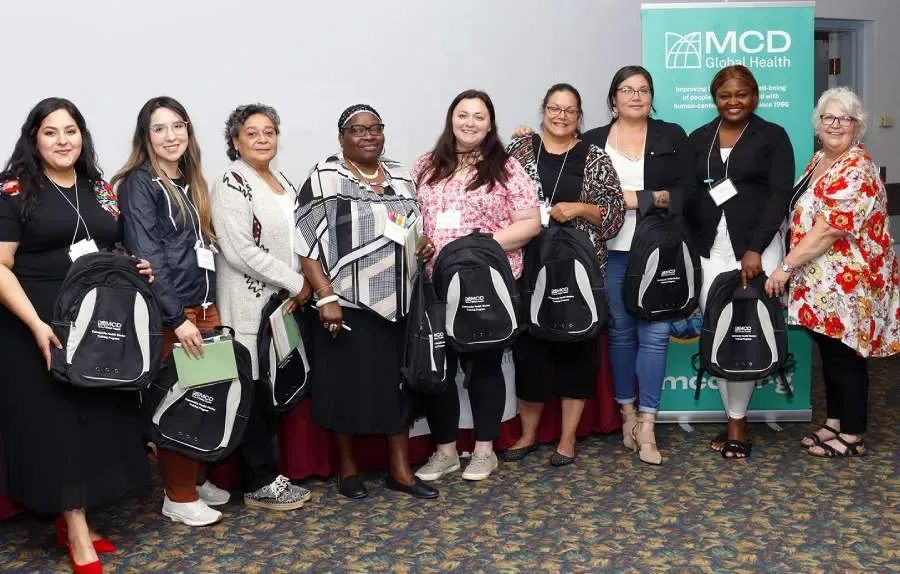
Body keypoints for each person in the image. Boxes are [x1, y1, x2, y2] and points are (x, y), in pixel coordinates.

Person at [0, 98, 154, 573]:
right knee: (60, 426)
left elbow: (108, 245)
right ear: (34, 138)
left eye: (71, 131)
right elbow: (1, 267)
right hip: (38, 323)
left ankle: (74, 520)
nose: (63, 140)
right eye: (51, 132)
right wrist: (36, 326)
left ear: (82, 137)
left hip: (93, 324)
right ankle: (79, 533)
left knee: (93, 420)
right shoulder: (13, 190)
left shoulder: (100, 188)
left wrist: (133, 266)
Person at [295, 104, 438, 500]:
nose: (369, 135)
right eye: (358, 130)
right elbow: (305, 244)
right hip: (348, 302)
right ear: (341, 138)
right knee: (346, 385)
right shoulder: (325, 177)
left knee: (398, 388)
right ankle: (348, 469)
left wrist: (422, 247)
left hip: (400, 303)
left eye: (375, 128)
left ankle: (401, 471)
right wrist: (325, 295)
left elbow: (414, 232)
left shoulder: (401, 176)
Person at [413, 90, 541, 482]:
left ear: (490, 123)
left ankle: (484, 450)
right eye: (463, 115)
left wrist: (477, 246)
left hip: (488, 283)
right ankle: (446, 451)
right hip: (437, 283)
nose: (470, 123)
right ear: (451, 119)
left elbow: (530, 223)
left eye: (479, 117)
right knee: (441, 368)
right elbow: (415, 219)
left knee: (484, 366)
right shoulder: (426, 166)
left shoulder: (506, 168)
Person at [765, 87, 900, 457]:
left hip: (850, 282)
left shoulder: (857, 167)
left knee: (846, 356)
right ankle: (835, 422)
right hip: (822, 281)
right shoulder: (821, 158)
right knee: (829, 351)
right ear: (818, 123)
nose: (836, 124)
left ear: (858, 126)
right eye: (829, 117)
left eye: (845, 118)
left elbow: (828, 229)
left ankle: (853, 435)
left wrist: (785, 267)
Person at [504, 83, 624, 466]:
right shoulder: (519, 150)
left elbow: (614, 214)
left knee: (575, 352)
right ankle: (527, 435)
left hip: (578, 272)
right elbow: (497, 197)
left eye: (569, 110)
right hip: (529, 267)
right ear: (543, 111)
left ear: (579, 116)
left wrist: (578, 209)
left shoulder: (595, 157)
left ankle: (568, 439)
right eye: (554, 108)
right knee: (530, 353)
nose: (561, 115)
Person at [684, 65, 795, 459]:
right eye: (725, 95)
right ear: (715, 98)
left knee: (744, 328)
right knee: (719, 330)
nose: (733, 102)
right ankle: (732, 414)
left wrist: (754, 249)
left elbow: (780, 195)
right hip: (709, 250)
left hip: (755, 248)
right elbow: (691, 194)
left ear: (755, 96)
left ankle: (737, 423)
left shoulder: (772, 137)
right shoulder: (700, 138)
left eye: (741, 94)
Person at [581, 67, 690, 465]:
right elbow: (571, 184)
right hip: (610, 252)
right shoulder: (592, 140)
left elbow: (685, 194)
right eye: (627, 89)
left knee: (657, 335)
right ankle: (627, 414)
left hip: (657, 252)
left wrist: (635, 199)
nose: (636, 96)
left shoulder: (671, 136)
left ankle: (648, 422)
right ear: (613, 98)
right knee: (622, 334)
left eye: (644, 90)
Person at [209, 103, 313, 509]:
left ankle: (269, 473)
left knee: (273, 386)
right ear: (235, 141)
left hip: (282, 304)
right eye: (252, 133)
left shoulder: (281, 180)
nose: (262, 139)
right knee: (253, 388)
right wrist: (296, 282)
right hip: (248, 303)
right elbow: (238, 250)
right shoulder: (232, 181)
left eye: (269, 131)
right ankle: (259, 480)